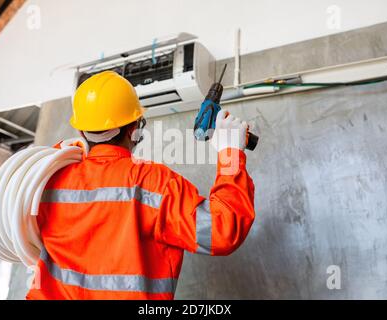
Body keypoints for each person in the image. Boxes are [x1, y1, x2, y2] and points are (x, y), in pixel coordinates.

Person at [26, 71, 255, 300]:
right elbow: (222, 230)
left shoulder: (44, 180)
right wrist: (230, 153)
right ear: (134, 128)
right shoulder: (153, 182)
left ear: (80, 130)